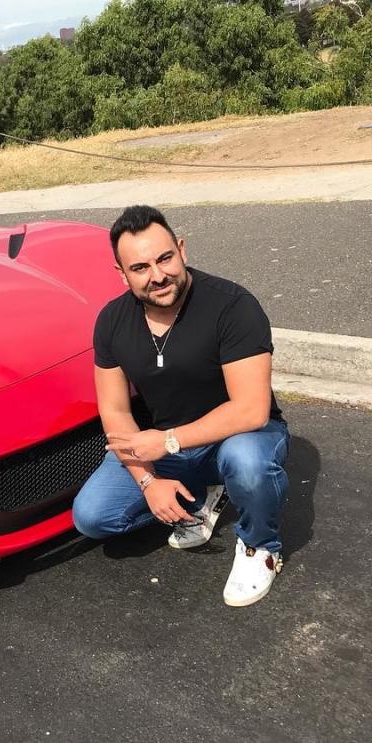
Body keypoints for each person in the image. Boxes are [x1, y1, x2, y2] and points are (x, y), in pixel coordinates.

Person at [72, 205, 291, 607]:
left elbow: (251, 409)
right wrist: (148, 482)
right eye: (140, 267)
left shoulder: (232, 306)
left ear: (182, 250)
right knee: (92, 516)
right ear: (122, 274)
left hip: (238, 436)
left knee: (248, 463)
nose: (157, 276)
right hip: (168, 445)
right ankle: (203, 494)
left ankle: (260, 546)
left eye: (165, 258)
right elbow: (116, 413)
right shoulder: (112, 321)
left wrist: (168, 443)